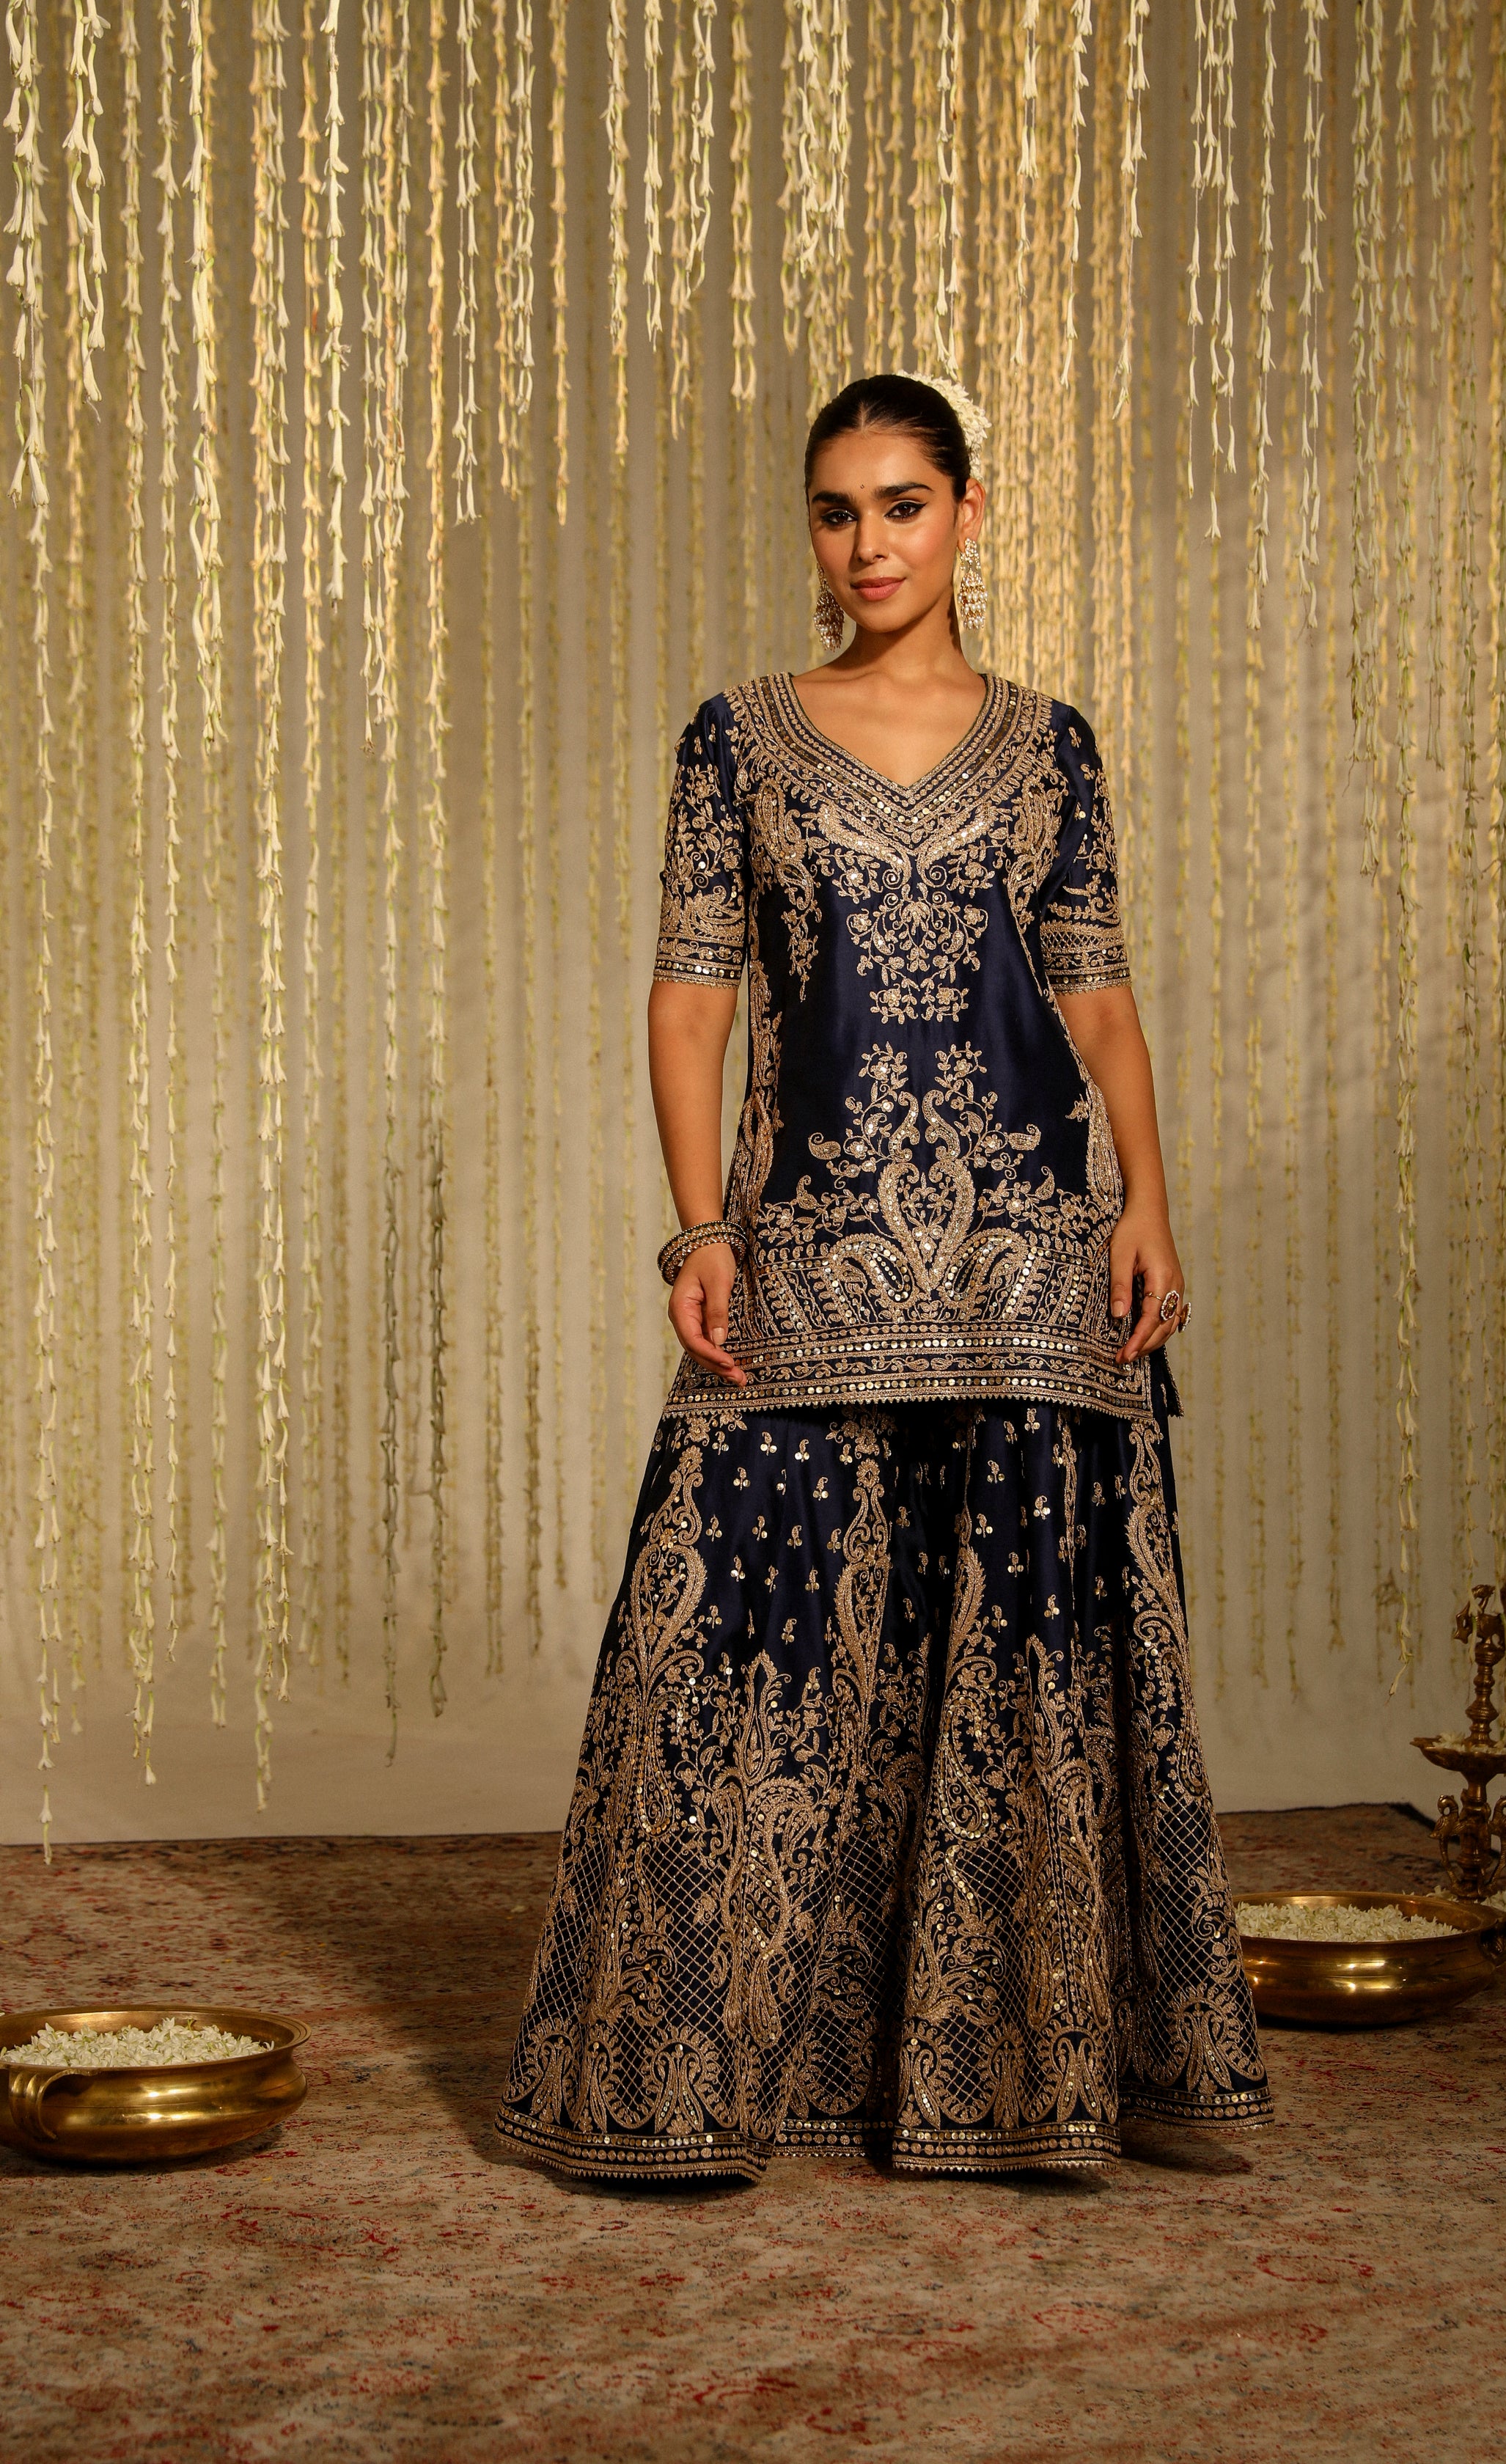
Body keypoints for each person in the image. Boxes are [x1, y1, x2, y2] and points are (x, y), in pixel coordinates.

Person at [496, 372, 1271, 2181]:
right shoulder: (740, 739)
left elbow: (1094, 990)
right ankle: (700, 2073)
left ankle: (1012, 2082)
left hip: (1028, 1257)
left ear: (968, 514)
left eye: (903, 506)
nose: (868, 545)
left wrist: (1149, 1203)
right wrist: (701, 1228)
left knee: (1017, 1658)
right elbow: (693, 997)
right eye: (836, 511)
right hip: (811, 1256)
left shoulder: (1051, 743)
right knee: (721, 1641)